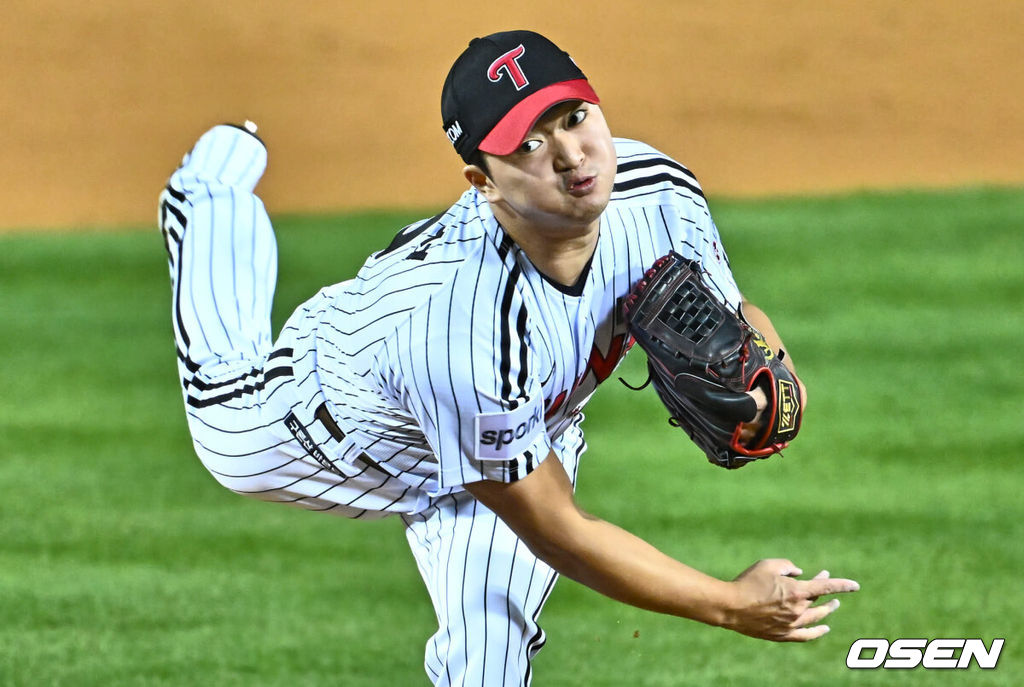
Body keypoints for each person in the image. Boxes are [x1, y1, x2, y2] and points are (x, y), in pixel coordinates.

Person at [158, 29, 858, 686]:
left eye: (575, 116)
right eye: (527, 143)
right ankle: (208, 191)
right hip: (325, 426)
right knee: (224, 395)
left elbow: (742, 320)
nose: (572, 156)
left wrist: (777, 385)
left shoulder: (659, 191)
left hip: (520, 438)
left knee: (489, 665)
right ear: (481, 181)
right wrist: (730, 604)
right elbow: (559, 529)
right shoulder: (463, 328)